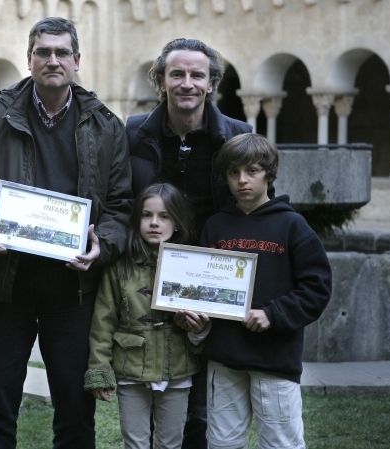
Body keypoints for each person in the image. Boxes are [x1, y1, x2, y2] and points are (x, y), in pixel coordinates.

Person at [0, 16, 132, 449]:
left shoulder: (105, 126)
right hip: (7, 285)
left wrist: (102, 246)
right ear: (29, 58)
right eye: (43, 52)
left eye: (61, 52)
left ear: (77, 60)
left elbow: (120, 205)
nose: (52, 60)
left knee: (75, 409)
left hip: (73, 289)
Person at [125, 38, 252, 449]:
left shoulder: (237, 136)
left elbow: (251, 206)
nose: (187, 83)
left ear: (211, 83)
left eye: (197, 75)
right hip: (146, 277)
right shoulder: (133, 132)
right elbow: (120, 198)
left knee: (200, 401)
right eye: (176, 74)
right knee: (149, 393)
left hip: (209, 276)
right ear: (161, 81)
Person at [176, 133, 332, 449]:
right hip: (224, 357)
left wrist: (273, 314)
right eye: (233, 172)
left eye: (252, 171)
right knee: (222, 443)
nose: (242, 180)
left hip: (274, 358)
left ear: (269, 174)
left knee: (280, 443)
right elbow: (202, 286)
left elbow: (317, 288)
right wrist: (196, 317)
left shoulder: (292, 225)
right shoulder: (215, 226)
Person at [85, 183, 199, 449]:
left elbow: (204, 320)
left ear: (177, 222)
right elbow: (103, 321)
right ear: (137, 220)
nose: (154, 223)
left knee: (170, 444)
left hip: (177, 368)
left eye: (164, 216)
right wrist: (99, 368)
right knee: (135, 443)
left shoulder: (193, 266)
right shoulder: (119, 268)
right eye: (147, 215)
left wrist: (198, 327)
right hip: (131, 368)